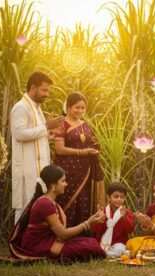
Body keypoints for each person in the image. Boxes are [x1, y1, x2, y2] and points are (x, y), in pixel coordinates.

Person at [9, 165, 106, 262]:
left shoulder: (50, 202)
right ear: (53, 185)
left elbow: (62, 233)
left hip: (49, 241)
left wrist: (91, 219)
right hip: (38, 246)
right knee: (92, 247)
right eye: (63, 181)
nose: (66, 184)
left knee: (91, 242)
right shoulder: (45, 203)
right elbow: (63, 234)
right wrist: (88, 223)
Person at [10, 71, 64, 224]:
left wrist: (48, 134)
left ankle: (32, 244)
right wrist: (47, 126)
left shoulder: (36, 107)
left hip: (39, 169)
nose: (47, 94)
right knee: (25, 207)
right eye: (44, 90)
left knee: (37, 207)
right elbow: (19, 134)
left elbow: (35, 133)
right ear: (33, 87)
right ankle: (18, 244)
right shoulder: (21, 107)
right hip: (27, 169)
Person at [54, 92, 105, 227]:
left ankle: (82, 233)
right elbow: (59, 149)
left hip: (85, 170)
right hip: (67, 170)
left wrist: (95, 148)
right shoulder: (62, 124)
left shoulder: (85, 124)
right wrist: (82, 152)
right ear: (69, 107)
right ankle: (65, 232)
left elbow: (93, 142)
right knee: (67, 199)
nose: (80, 111)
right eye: (77, 107)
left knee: (84, 199)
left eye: (83, 108)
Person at [92, 182, 135, 257]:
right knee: (92, 246)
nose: (119, 199)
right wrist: (100, 219)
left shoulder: (126, 212)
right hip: (102, 243)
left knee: (120, 249)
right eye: (116, 196)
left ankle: (103, 254)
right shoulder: (104, 211)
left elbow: (130, 230)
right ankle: (103, 253)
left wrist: (124, 218)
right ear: (109, 197)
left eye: (122, 197)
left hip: (119, 244)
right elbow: (96, 231)